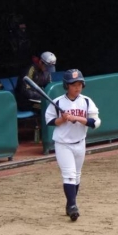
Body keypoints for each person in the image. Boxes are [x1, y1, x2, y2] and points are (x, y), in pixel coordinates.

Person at [45, 69, 100, 222]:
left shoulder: (86, 101)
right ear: (67, 86)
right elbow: (49, 121)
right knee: (69, 174)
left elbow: (96, 122)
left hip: (80, 142)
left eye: (79, 85)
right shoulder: (58, 102)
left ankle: (70, 204)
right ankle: (73, 206)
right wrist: (63, 119)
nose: (77, 88)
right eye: (73, 85)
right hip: (63, 144)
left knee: (76, 176)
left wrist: (77, 118)